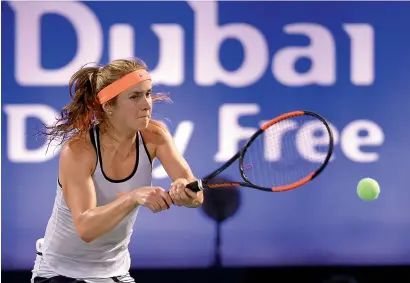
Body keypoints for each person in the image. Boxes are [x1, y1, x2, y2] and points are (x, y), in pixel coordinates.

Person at [31, 58, 204, 283]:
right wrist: (133, 197)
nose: (147, 104)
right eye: (134, 96)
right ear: (108, 106)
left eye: (148, 93)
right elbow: (86, 228)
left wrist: (185, 190)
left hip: (113, 272)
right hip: (60, 271)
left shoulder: (156, 136)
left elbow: (196, 197)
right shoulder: (79, 150)